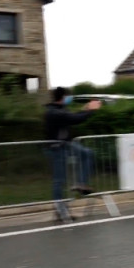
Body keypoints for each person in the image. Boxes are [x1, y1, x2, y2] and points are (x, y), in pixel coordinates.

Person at [44, 87, 101, 222]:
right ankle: (60, 210)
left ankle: (81, 183)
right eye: (69, 97)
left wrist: (85, 110)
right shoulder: (53, 112)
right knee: (59, 180)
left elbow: (72, 117)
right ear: (63, 97)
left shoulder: (59, 110)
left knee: (87, 153)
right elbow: (74, 119)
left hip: (66, 144)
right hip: (56, 147)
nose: (70, 99)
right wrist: (91, 110)